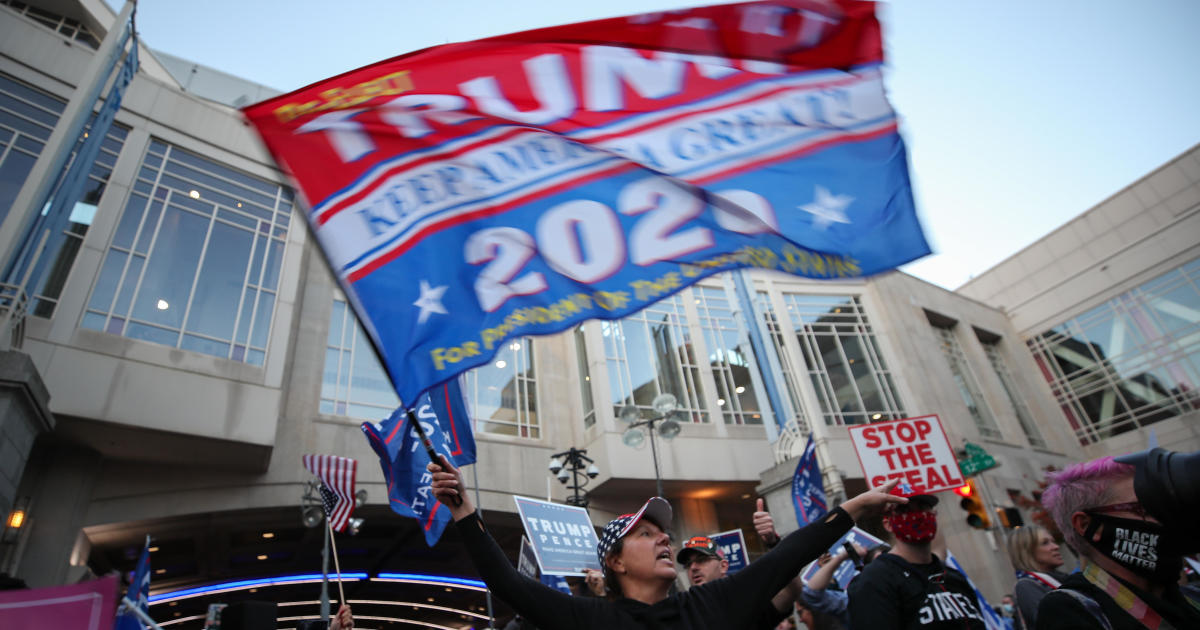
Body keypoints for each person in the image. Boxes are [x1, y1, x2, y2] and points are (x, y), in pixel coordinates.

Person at [428, 458, 905, 630]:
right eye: (645, 533)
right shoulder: (589, 620)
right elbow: (506, 582)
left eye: (662, 532)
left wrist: (855, 506)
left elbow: (786, 558)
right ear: (614, 562)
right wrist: (465, 512)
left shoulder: (712, 605)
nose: (663, 539)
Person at [1036, 455, 1200, 629]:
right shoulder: (1071, 610)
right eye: (1143, 508)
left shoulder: (1191, 597)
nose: (1162, 518)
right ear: (1087, 525)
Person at [846, 494, 988, 630]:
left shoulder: (954, 578)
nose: (916, 516)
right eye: (904, 510)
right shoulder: (875, 581)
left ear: (934, 515)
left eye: (922, 507)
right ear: (888, 523)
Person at [1006, 524, 1067, 629]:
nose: (1056, 546)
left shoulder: (1064, 578)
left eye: (1053, 541)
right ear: (1027, 551)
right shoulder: (1026, 586)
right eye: (1045, 543)